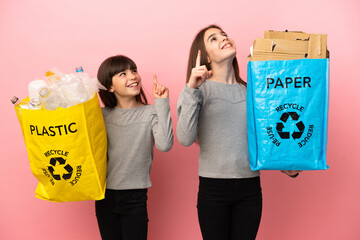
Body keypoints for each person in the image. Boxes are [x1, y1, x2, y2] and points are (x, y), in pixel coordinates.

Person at [176, 24, 300, 240]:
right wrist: (191, 89)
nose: (223, 38)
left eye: (223, 35)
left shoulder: (255, 90)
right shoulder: (197, 90)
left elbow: (267, 135)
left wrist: (286, 165)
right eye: (213, 39)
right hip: (213, 189)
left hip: (249, 188)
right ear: (205, 56)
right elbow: (185, 138)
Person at [95, 55, 173, 240]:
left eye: (134, 70)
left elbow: (164, 144)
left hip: (135, 197)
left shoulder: (150, 112)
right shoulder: (100, 116)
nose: (133, 76)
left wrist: (162, 103)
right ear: (110, 86)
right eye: (123, 73)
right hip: (103, 196)